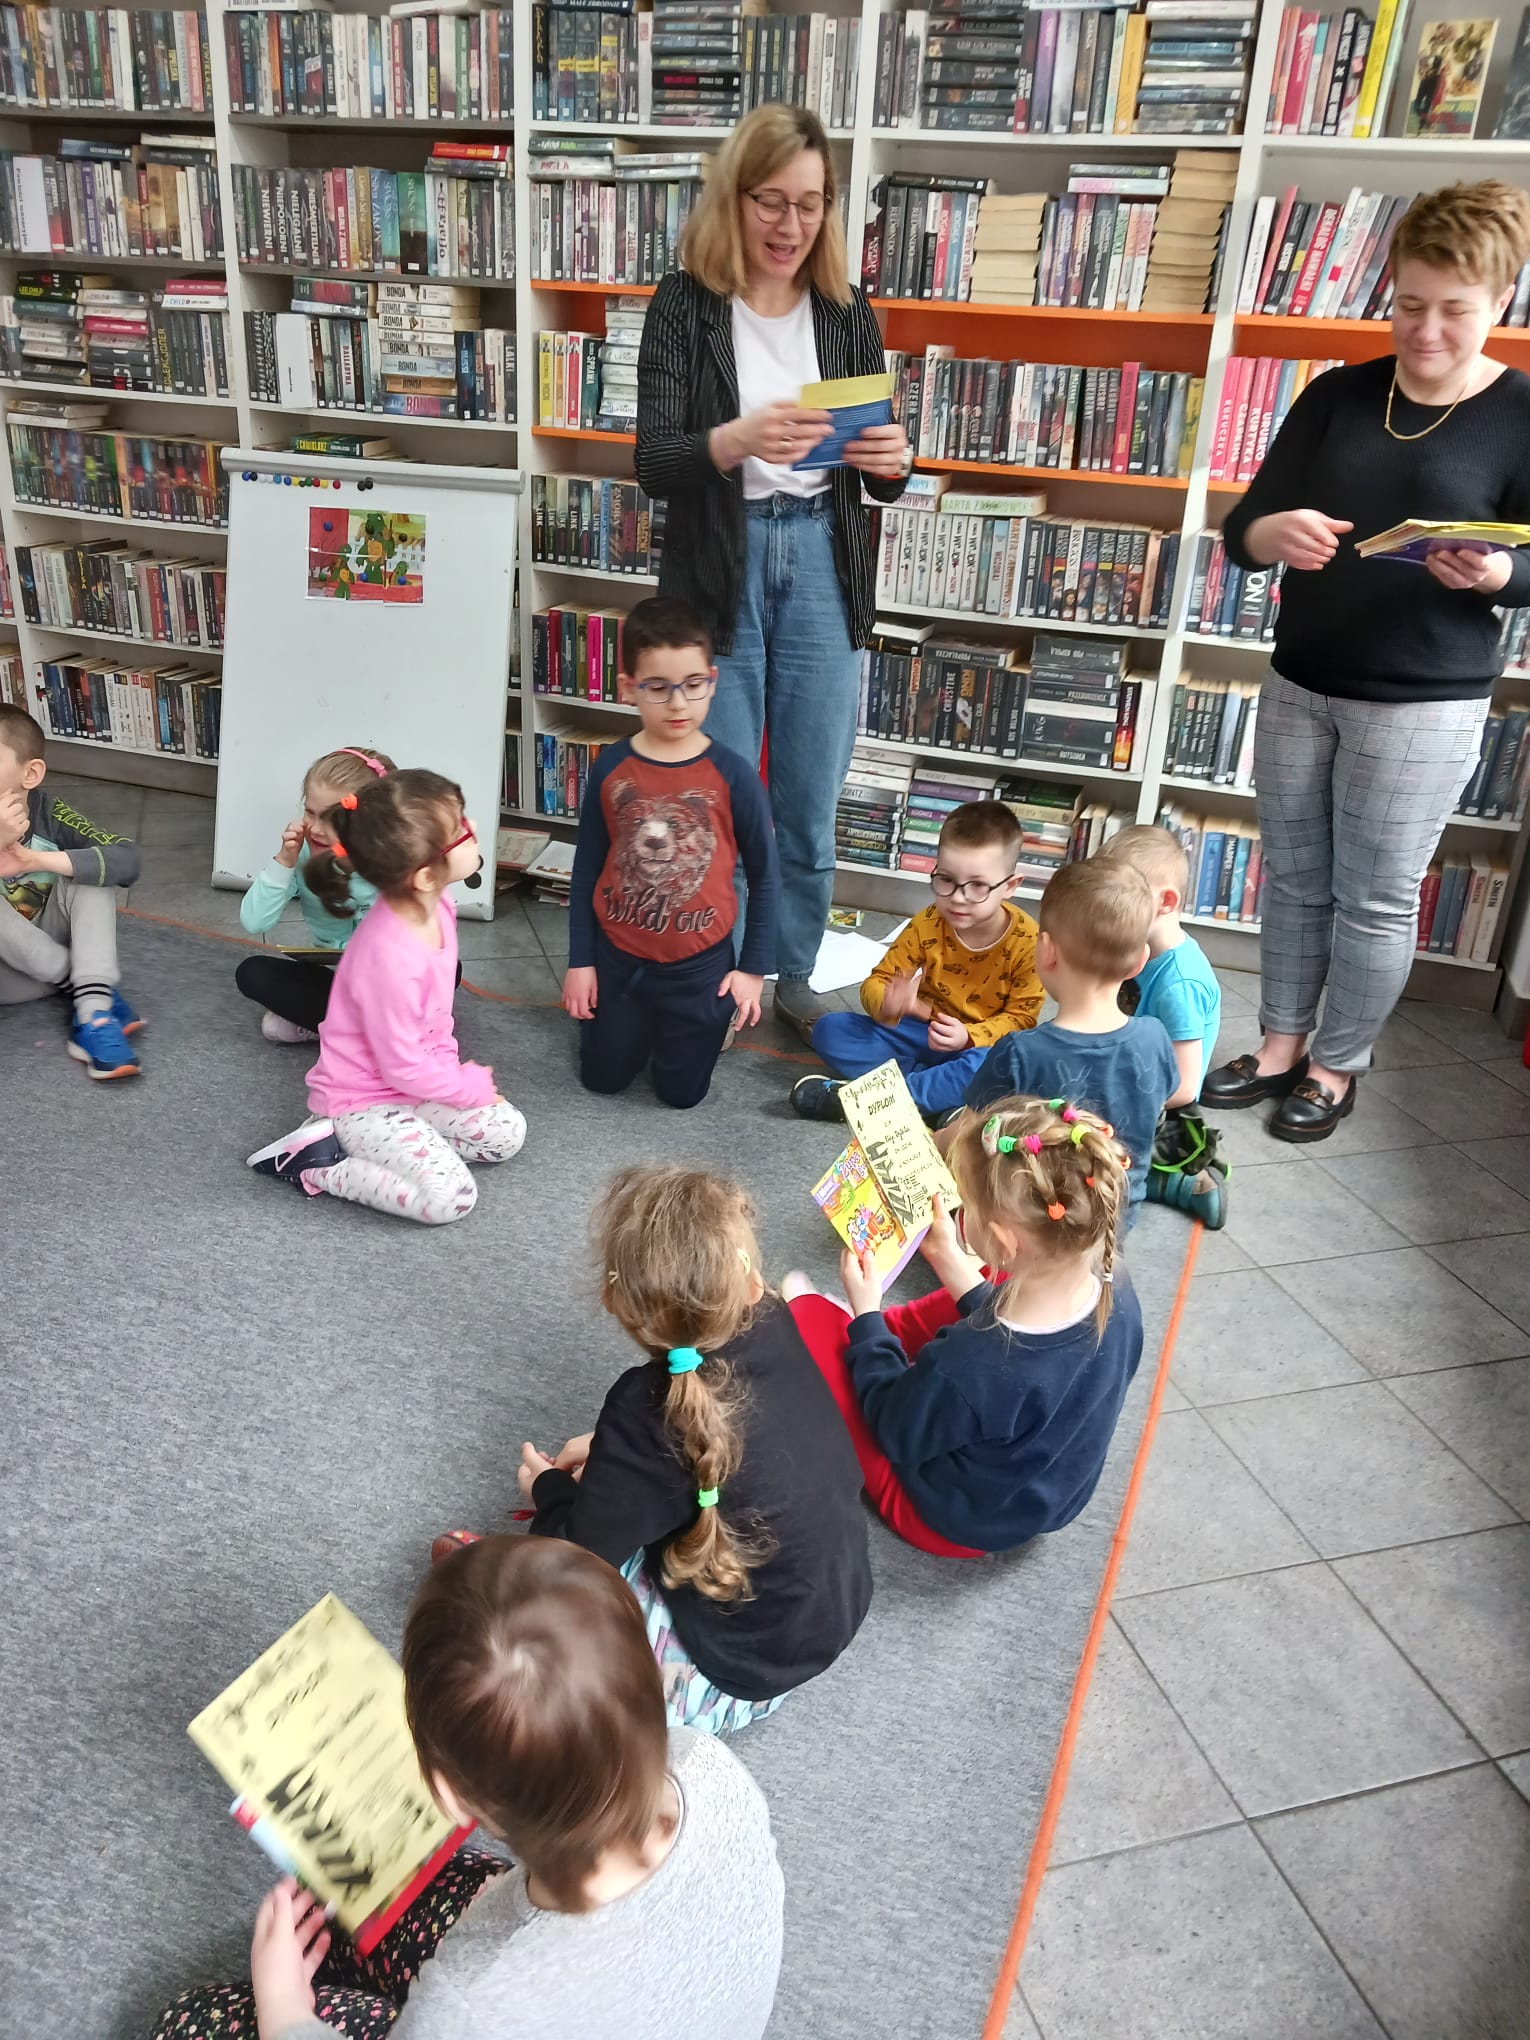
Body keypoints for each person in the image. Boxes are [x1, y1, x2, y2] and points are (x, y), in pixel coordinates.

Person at [152, 1535, 785, 2040]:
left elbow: (468, 2009)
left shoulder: (467, 2007)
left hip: (499, 2009)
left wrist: (285, 2010)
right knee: (379, 1899)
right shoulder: (706, 1765)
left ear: (450, 1796)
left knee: (188, 2022)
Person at [1208, 179, 1530, 1142]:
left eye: (1454, 310)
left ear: (1502, 300)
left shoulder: (1520, 413)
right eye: (1408, 305)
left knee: (1376, 899)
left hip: (1422, 703)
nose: (1426, 331)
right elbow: (1242, 528)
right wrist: (1273, 534)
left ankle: (1336, 1065)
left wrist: (1500, 572)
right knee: (1294, 879)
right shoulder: (1338, 396)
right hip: (1301, 681)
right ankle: (1279, 1044)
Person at [636, 102, 911, 1045]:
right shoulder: (685, 304)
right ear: (735, 197)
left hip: (823, 557)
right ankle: (720, 972)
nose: (792, 225)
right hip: (723, 561)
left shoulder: (844, 310)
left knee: (807, 796)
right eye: (771, 202)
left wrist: (894, 461)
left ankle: (792, 973)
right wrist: (736, 439)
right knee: (716, 792)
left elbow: (881, 473)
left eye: (811, 203)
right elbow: (655, 462)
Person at [485, 1165, 871, 1736]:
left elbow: (577, 1554)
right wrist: (613, 1453)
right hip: (828, 1609)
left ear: (614, 1299)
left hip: (731, 1673)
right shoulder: (774, 1316)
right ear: (748, 1281)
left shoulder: (644, 1409)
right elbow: (741, 1439)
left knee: (529, 1626)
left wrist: (549, 1491)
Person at [784, 1096, 1141, 1558]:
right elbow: (1041, 1360)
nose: (958, 1211)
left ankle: (860, 1328)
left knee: (804, 1315)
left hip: (953, 1521)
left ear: (1004, 1240)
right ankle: (876, 1332)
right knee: (995, 1287)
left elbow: (893, 1427)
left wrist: (867, 1315)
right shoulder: (1116, 1289)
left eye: (964, 1204)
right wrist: (949, 1259)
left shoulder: (970, 1361)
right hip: (1042, 1496)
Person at [246, 769, 525, 1225]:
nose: (472, 829)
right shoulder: (391, 956)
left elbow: (433, 1026)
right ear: (425, 875)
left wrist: (453, 1079)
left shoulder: (438, 904)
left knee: (507, 1132)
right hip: (365, 1101)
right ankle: (315, 1164)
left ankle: (396, 1146)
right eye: (460, 830)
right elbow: (402, 1066)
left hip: (415, 1086)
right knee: (451, 1199)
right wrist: (466, 1088)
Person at [561, 598, 779, 1110]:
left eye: (693, 684)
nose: (678, 703)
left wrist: (752, 971)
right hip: (619, 963)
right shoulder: (611, 768)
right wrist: (580, 962)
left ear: (712, 681)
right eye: (658, 688)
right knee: (602, 1079)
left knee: (681, 1095)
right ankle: (630, 1029)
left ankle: (687, 1032)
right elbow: (587, 867)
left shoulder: (734, 775)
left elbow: (767, 876)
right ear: (628, 688)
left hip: (700, 970)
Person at [788, 799, 1043, 1124]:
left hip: (975, 1047)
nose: (958, 897)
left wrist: (969, 1036)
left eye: (978, 885)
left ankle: (873, 1101)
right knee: (830, 1030)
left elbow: (1022, 1020)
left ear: (1010, 886)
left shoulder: (1028, 940)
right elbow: (877, 982)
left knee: (1004, 1064)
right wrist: (889, 1004)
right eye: (946, 879)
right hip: (920, 1034)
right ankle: (935, 1096)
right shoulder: (928, 922)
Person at [953, 857, 1177, 1219]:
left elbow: (965, 1141)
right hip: (1118, 1215)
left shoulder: (1019, 1053)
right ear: (1140, 961)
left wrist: (925, 1142)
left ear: (1046, 951)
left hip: (1037, 1223)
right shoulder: (1155, 1037)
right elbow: (1160, 1104)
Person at [0, 700, 143, 1078]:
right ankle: (89, 990)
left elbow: (128, 859)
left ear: (30, 773)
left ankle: (94, 1015)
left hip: (49, 976)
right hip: (9, 981)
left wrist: (35, 861)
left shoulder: (51, 813)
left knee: (92, 873)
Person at [1099, 824, 1228, 1229]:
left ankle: (1179, 1182)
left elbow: (1184, 1087)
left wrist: (1114, 1097)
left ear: (1165, 901)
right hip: (1131, 1076)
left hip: (1162, 1111)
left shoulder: (1178, 985)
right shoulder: (1140, 950)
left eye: (1120, 900)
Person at [234, 745, 395, 1044]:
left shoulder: (397, 859)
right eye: (310, 812)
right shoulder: (303, 855)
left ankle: (342, 1028)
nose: (317, 830)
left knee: (449, 968)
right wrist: (284, 862)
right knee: (252, 973)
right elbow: (254, 922)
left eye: (333, 818)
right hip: (333, 978)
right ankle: (371, 1033)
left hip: (387, 981)